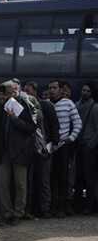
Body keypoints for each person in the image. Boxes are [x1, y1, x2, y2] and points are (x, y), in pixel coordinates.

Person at [0, 82, 37, 225]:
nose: (11, 93)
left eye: (14, 90)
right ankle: (6, 212)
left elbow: (31, 127)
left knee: (20, 184)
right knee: (3, 182)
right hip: (6, 151)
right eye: (8, 91)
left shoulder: (25, 105)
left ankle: (18, 213)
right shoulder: (4, 106)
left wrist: (14, 119)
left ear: (18, 90)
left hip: (20, 151)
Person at [49, 80, 83, 217]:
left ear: (60, 90)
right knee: (51, 178)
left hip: (63, 146)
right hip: (49, 147)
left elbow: (78, 123)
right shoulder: (46, 104)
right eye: (50, 88)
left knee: (63, 178)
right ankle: (52, 207)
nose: (52, 90)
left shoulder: (68, 103)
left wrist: (71, 138)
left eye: (54, 88)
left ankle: (62, 208)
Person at [77, 82, 98, 214]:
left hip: (88, 147)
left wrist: (91, 144)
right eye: (83, 90)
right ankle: (79, 205)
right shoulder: (77, 105)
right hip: (78, 145)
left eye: (87, 91)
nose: (84, 92)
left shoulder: (95, 108)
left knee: (89, 178)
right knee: (79, 177)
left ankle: (90, 206)